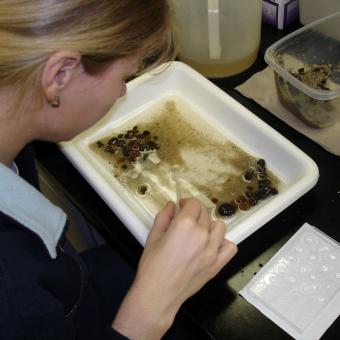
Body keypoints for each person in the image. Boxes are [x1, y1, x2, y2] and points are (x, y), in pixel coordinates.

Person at [0, 1, 238, 339]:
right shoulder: (12, 302)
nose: (124, 91)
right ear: (59, 75)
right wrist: (151, 307)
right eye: (125, 78)